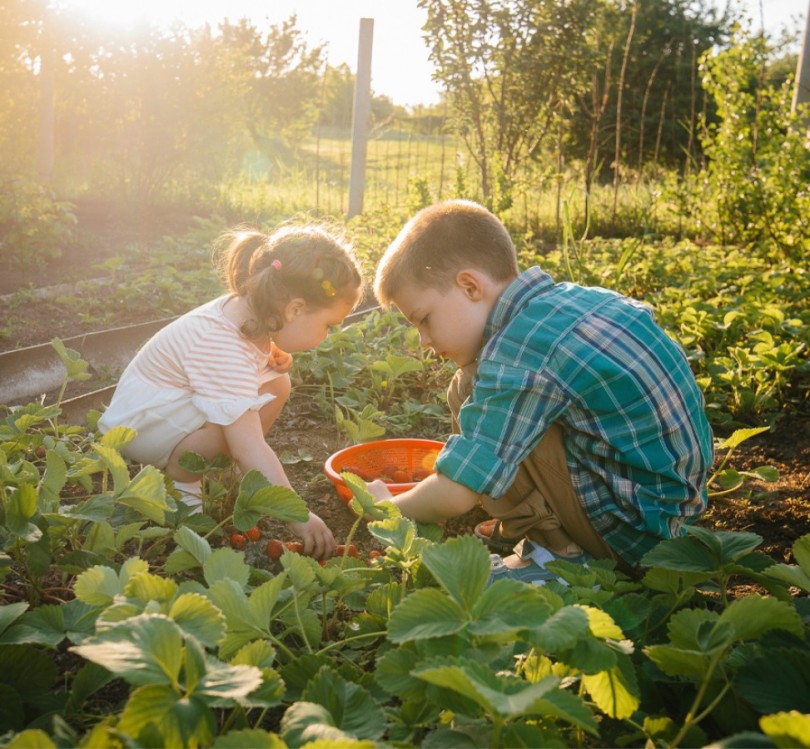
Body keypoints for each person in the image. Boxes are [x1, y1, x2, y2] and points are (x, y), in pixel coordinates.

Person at [371, 200, 713, 584]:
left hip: (632, 540)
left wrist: (385, 508)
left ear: (470, 286)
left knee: (473, 389)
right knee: (476, 385)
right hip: (668, 513)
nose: (423, 341)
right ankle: (550, 529)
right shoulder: (574, 301)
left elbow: (455, 494)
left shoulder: (520, 351)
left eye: (424, 319)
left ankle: (561, 557)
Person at [98, 224, 363, 559]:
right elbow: (248, 443)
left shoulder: (248, 310)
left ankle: (223, 471)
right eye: (328, 325)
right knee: (238, 431)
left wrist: (269, 357)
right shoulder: (222, 345)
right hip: (141, 428)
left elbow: (238, 370)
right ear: (294, 309)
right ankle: (183, 485)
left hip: (160, 406)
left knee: (275, 383)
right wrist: (298, 515)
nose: (327, 336)